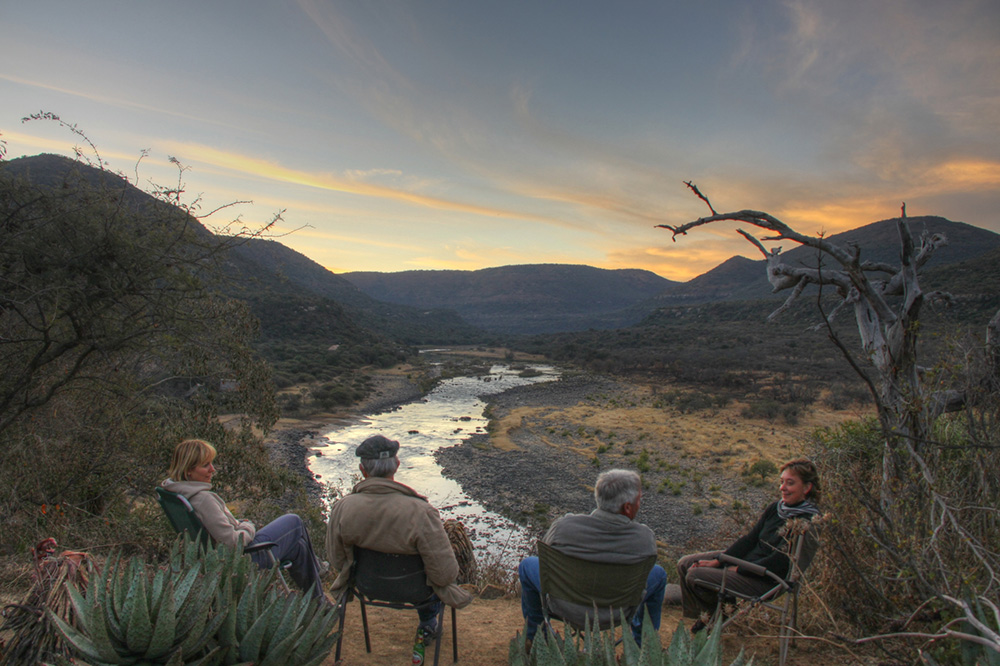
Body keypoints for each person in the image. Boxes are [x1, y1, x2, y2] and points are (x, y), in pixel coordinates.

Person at [326, 434, 473, 663]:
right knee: (435, 576)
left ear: (363, 470)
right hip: (418, 593)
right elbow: (445, 574)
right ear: (396, 466)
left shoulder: (343, 508)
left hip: (366, 586)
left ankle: (426, 623)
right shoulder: (421, 512)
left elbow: (337, 560)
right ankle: (427, 623)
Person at [162, 439, 327, 602]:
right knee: (294, 521)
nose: (212, 469)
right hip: (244, 561)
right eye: (206, 465)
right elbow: (232, 542)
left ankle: (319, 603)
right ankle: (318, 574)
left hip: (223, 559)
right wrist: (248, 526)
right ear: (189, 470)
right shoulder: (203, 500)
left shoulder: (179, 494)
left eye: (211, 463)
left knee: (298, 547)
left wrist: (240, 526)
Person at [517, 468, 667, 646]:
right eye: (639, 500)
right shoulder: (644, 538)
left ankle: (534, 639)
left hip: (564, 606)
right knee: (659, 574)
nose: (639, 504)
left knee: (527, 565)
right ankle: (643, 644)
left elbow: (547, 560)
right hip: (617, 613)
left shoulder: (563, 527)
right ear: (627, 507)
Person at [676, 457, 821, 633]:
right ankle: (712, 614)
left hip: (767, 579)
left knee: (695, 574)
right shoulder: (776, 508)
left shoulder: (807, 522)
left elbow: (780, 563)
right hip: (747, 564)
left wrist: (735, 569)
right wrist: (718, 562)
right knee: (685, 563)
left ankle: (718, 618)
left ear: (807, 487)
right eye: (782, 482)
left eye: (790, 483)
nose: (783, 488)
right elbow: (750, 540)